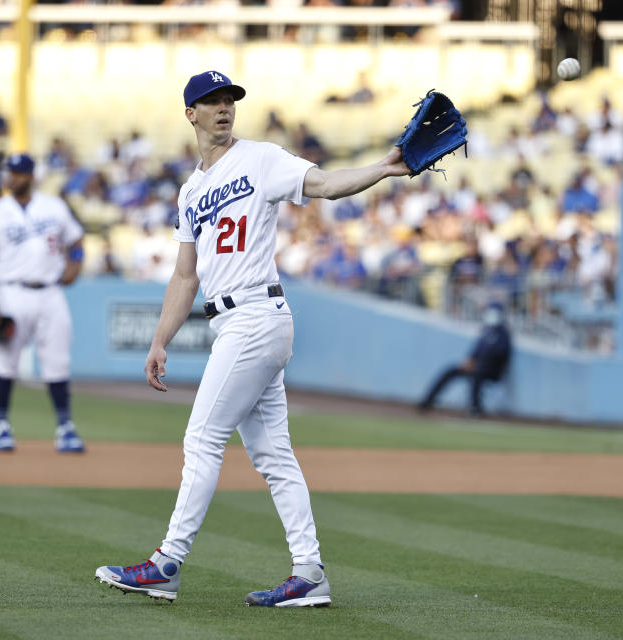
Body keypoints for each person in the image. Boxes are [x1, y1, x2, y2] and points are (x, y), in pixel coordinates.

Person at [94, 70, 413, 608]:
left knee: (202, 439)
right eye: (211, 101)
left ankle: (167, 562)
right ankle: (309, 574)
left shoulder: (261, 158)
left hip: (255, 316)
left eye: (229, 100)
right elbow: (184, 276)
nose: (223, 108)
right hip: (236, 322)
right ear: (190, 113)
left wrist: (382, 168)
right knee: (274, 456)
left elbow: (326, 185)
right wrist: (159, 340)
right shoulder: (190, 190)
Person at [0, 153, 87, 453]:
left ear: (31, 177)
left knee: (58, 362)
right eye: (10, 171)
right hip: (12, 292)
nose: (12, 177)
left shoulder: (54, 207)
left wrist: (74, 267)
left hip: (50, 291)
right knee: (6, 361)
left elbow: (76, 242)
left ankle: (65, 428)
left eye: (18, 173)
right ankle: (1, 425)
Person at [418, 302, 511, 416]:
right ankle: (427, 401)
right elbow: (476, 351)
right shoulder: (485, 331)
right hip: (476, 367)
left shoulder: (503, 334)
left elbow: (499, 354)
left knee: (478, 373)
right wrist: (469, 361)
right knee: (450, 370)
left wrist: (479, 363)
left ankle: (476, 408)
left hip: (491, 371)